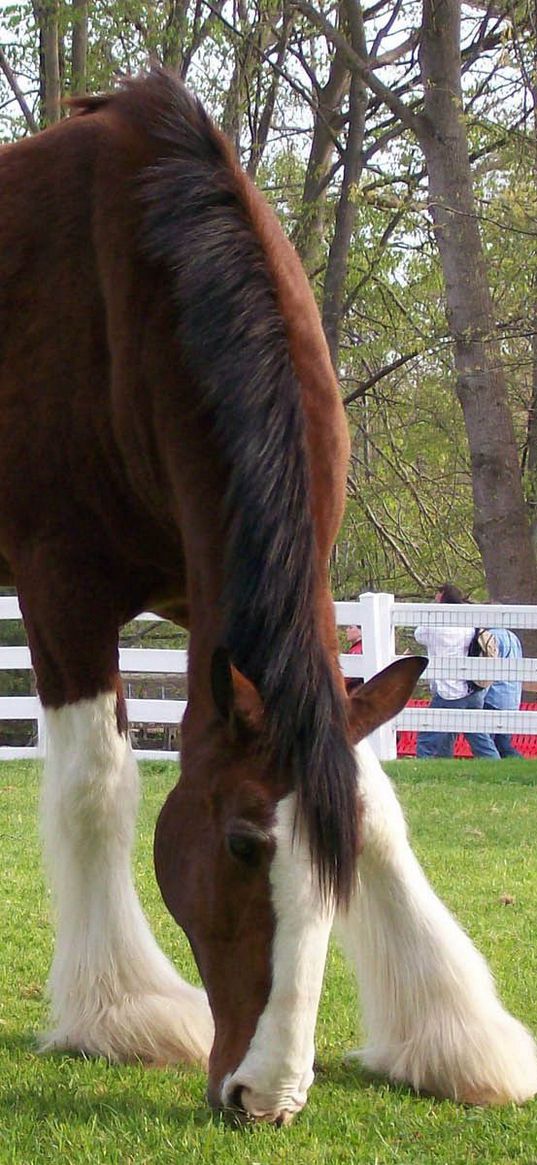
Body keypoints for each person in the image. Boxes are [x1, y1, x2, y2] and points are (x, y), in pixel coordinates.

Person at [415, 583, 500, 760]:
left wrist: (432, 611)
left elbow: (419, 635)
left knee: (428, 737)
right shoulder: (468, 623)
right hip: (472, 688)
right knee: (478, 737)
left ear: (443, 595)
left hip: (449, 690)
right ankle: (494, 764)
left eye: (438, 593)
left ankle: (421, 766)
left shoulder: (436, 626)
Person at [483, 624, 523, 758]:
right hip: (511, 698)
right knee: (501, 741)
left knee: (493, 742)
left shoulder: (491, 637)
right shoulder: (512, 637)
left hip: (494, 697)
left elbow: (489, 669)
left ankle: (515, 762)